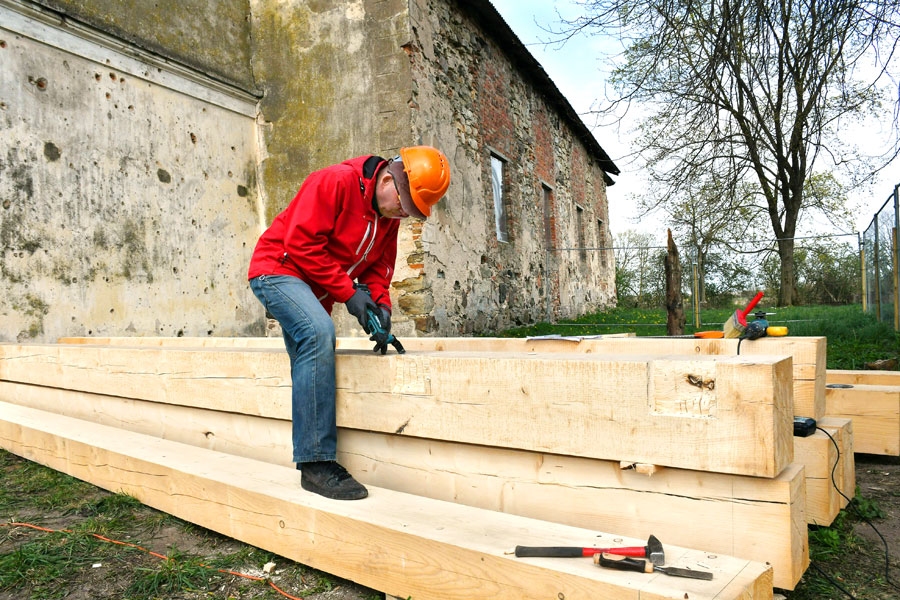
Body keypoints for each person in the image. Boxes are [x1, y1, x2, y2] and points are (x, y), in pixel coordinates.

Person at [247, 146, 451, 500]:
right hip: (277, 270)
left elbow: (379, 269)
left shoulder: (387, 218)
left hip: (313, 286)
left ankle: (311, 448)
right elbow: (300, 243)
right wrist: (348, 293)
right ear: (388, 180)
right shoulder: (334, 182)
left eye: (411, 212)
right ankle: (316, 465)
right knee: (318, 333)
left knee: (312, 355)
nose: (403, 214)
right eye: (404, 205)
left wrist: (380, 309)